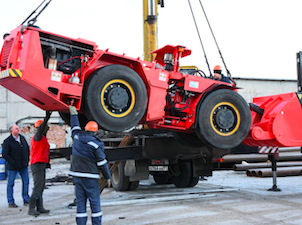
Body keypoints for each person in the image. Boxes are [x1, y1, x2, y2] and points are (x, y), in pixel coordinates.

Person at [68, 105, 111, 225]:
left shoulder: (76, 137)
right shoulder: (96, 144)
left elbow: (74, 126)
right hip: (91, 177)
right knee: (94, 202)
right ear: (95, 131)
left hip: (77, 175)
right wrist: (107, 177)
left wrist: (73, 114)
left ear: (86, 129)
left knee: (81, 202)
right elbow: (102, 163)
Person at [28, 111, 52, 216]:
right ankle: (31, 209)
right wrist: (47, 117)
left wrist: (47, 163)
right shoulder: (37, 136)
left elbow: (45, 152)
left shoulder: (43, 139)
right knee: (38, 186)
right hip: (36, 164)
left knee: (41, 186)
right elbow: (41, 128)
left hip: (41, 164)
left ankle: (40, 207)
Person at [2, 124, 30, 208]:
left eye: (18, 128)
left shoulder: (22, 138)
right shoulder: (7, 141)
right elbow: (5, 154)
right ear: (12, 131)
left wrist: (26, 160)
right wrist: (13, 162)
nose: (18, 130)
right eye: (16, 129)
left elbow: (27, 149)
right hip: (12, 166)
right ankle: (11, 201)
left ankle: (26, 199)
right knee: (10, 183)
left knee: (26, 182)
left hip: (23, 165)